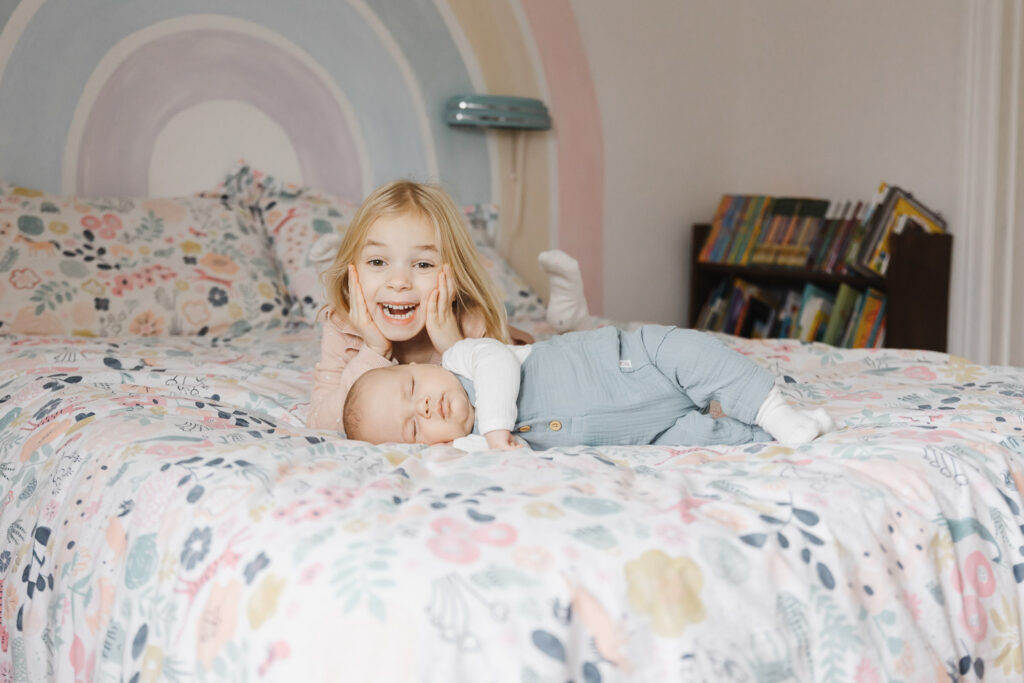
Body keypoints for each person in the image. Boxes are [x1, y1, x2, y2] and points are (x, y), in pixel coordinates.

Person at [341, 324, 835, 450]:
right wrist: (479, 447)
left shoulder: (464, 359)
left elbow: (498, 363)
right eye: (411, 427)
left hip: (635, 362)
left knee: (695, 354)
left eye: (411, 387)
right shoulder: (466, 447)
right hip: (646, 434)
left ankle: (773, 408)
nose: (424, 406)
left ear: (422, 367)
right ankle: (776, 435)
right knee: (705, 440)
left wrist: (494, 430)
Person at [308, 179, 526, 430]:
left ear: (454, 278)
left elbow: (504, 411)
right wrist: (374, 352)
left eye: (423, 264)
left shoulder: (471, 324)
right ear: (353, 272)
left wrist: (455, 348)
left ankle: (572, 319)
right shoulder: (343, 327)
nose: (399, 282)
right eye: (378, 262)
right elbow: (320, 423)